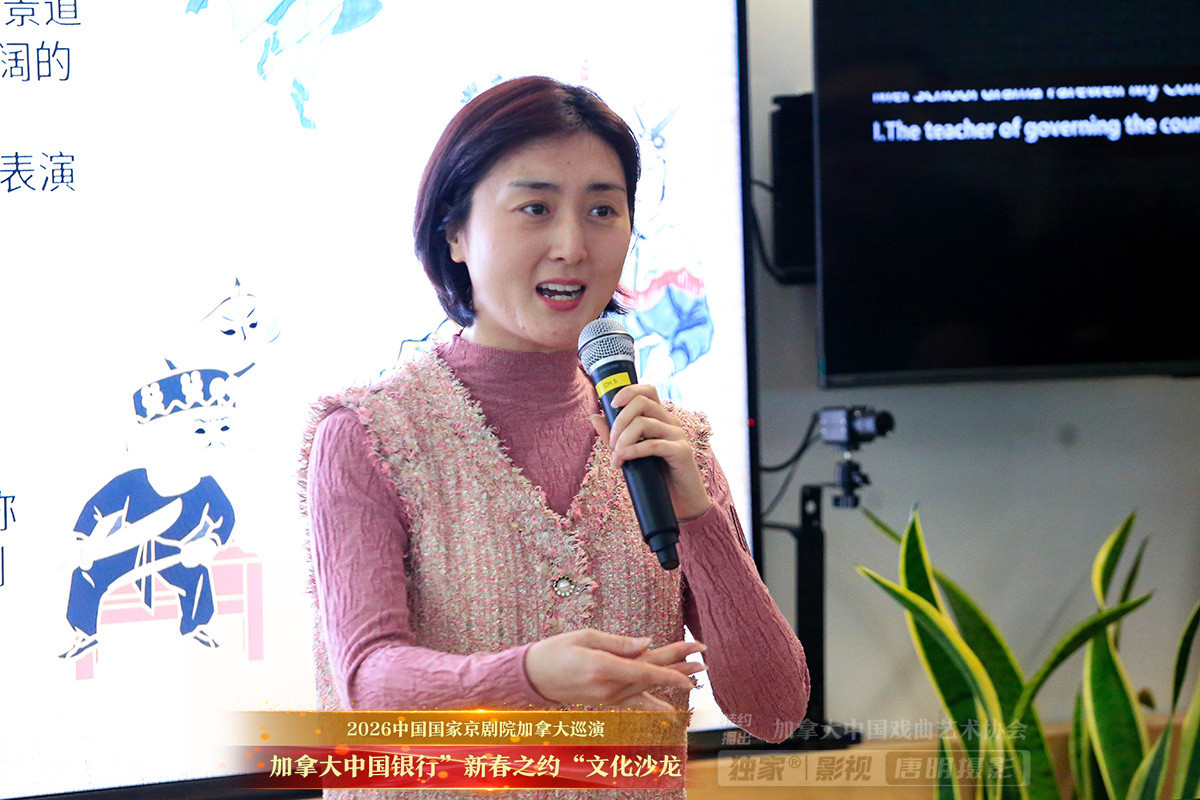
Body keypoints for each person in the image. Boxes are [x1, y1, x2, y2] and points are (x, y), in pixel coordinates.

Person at [302, 75, 808, 797]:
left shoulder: (671, 442)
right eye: (534, 208)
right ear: (454, 233)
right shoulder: (370, 436)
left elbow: (775, 711)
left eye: (603, 210)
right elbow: (367, 685)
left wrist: (700, 521)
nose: (572, 246)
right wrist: (533, 676)